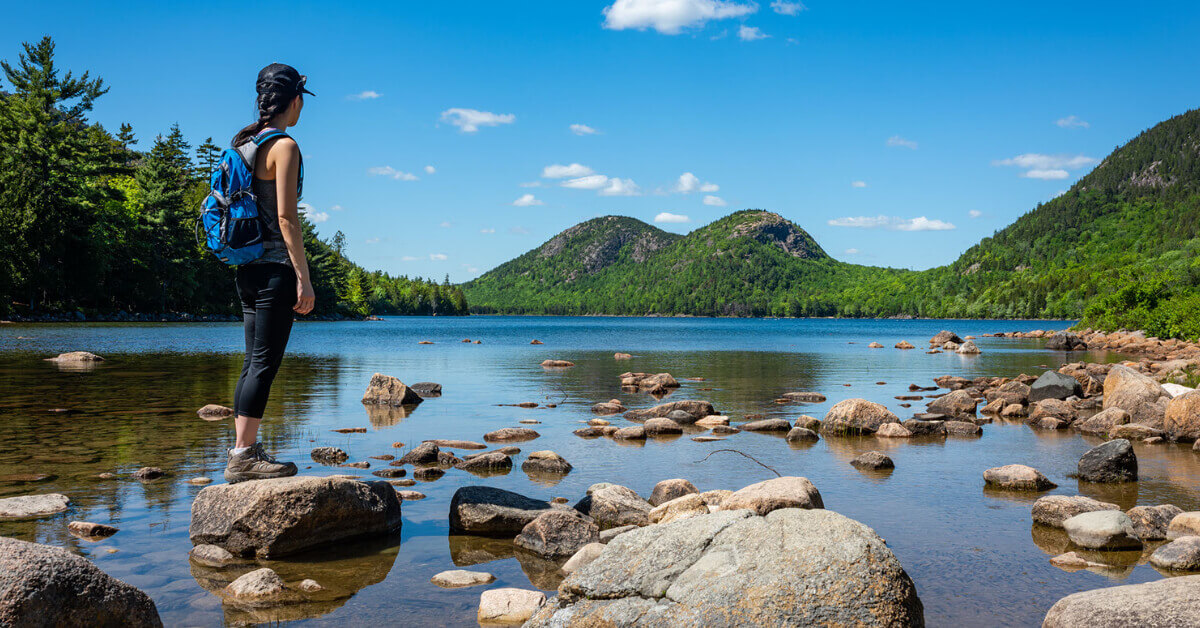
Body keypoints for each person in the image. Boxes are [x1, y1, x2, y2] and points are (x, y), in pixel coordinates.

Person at [224, 63, 316, 483]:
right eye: (302, 100)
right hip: (275, 270)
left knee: (252, 362)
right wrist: (304, 277)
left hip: (246, 269)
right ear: (293, 100)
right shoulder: (285, 146)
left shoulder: (245, 142)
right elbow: (286, 218)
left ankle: (243, 450)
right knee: (264, 364)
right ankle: (244, 455)